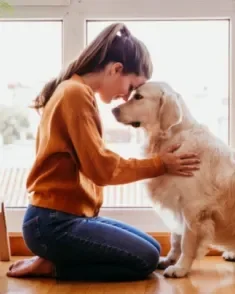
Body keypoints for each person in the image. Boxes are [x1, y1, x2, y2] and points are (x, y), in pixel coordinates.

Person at [6, 23, 200, 281]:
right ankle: (54, 266)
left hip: (64, 218)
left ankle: (55, 256)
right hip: (52, 223)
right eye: (131, 87)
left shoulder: (74, 90)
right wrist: (160, 164)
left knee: (153, 249)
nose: (125, 97)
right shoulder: (75, 94)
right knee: (145, 259)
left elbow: (94, 162)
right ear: (116, 69)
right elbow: (102, 169)